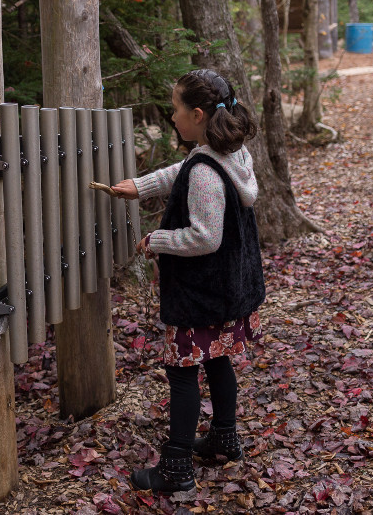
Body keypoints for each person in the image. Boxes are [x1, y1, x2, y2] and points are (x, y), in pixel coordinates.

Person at [105, 69, 268, 494]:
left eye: (175, 109)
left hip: (200, 291)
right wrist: (139, 187)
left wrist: (157, 240)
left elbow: (204, 236)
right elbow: (182, 169)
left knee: (181, 372)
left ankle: (176, 468)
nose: (171, 116)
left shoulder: (205, 172)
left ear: (197, 115)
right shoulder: (229, 152)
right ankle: (223, 439)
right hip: (227, 286)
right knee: (217, 359)